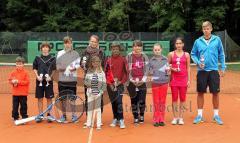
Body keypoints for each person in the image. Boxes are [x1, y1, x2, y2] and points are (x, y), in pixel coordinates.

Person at [191, 21, 226, 125]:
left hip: (214, 70)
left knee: (215, 93)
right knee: (200, 92)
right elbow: (193, 54)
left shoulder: (217, 40)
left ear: (211, 29)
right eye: (204, 29)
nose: (206, 30)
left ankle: (216, 115)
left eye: (207, 28)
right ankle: (199, 115)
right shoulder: (198, 41)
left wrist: (223, 67)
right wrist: (198, 62)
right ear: (202, 30)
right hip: (201, 71)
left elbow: (221, 54)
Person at [56, 36, 81, 123]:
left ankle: (74, 115)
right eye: (66, 43)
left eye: (69, 43)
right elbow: (58, 66)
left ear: (71, 44)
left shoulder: (76, 54)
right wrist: (62, 69)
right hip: (62, 80)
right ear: (64, 44)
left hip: (72, 80)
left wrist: (73, 69)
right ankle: (64, 115)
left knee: (72, 98)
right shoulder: (59, 53)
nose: (68, 44)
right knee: (63, 99)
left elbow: (78, 64)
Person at [105, 42, 128, 129]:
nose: (115, 50)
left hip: (120, 85)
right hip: (110, 85)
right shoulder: (108, 60)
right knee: (113, 102)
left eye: (117, 49)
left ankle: (121, 119)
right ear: (111, 50)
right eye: (113, 49)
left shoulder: (123, 59)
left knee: (119, 102)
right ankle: (115, 118)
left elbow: (126, 73)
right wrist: (110, 83)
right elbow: (106, 73)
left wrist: (120, 82)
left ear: (119, 50)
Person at [168, 37, 190, 125]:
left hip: (184, 79)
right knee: (174, 99)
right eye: (177, 44)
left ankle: (181, 118)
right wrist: (173, 69)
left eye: (180, 43)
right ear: (175, 45)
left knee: (183, 99)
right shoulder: (171, 54)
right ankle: (175, 117)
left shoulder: (187, 55)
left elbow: (188, 68)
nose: (178, 45)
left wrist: (189, 80)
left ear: (183, 44)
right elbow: (167, 67)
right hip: (174, 80)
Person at [126, 40, 149, 125]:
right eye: (135, 46)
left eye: (139, 46)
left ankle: (142, 115)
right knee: (134, 100)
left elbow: (147, 69)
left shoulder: (144, 56)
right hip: (132, 83)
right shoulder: (129, 56)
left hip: (142, 82)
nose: (137, 48)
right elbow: (127, 70)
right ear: (133, 47)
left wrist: (143, 79)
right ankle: (135, 116)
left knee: (142, 100)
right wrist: (132, 80)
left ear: (141, 47)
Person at [81, 35, 105, 115]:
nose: (93, 43)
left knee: (99, 97)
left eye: (95, 42)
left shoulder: (101, 52)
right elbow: (82, 63)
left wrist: (98, 72)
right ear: (89, 41)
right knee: (88, 97)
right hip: (88, 77)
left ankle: (99, 117)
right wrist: (84, 65)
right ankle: (89, 117)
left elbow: (103, 64)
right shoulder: (85, 51)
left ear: (97, 43)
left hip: (98, 77)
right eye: (92, 41)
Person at [33, 42, 56, 123]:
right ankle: (40, 115)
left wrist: (50, 77)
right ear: (41, 48)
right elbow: (35, 68)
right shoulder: (37, 58)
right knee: (40, 98)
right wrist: (37, 76)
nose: (45, 48)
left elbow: (54, 69)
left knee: (49, 98)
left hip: (48, 81)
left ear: (49, 49)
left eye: (46, 47)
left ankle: (49, 115)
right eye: (43, 47)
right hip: (39, 81)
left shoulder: (53, 58)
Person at [149, 43, 170, 127]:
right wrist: (150, 73)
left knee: (162, 101)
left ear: (161, 50)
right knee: (156, 101)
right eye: (155, 50)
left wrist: (169, 71)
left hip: (164, 82)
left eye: (158, 50)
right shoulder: (151, 60)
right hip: (155, 83)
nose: (157, 51)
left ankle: (161, 119)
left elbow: (168, 71)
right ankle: (156, 119)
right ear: (153, 51)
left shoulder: (166, 59)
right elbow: (149, 72)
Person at [84, 56, 106, 130]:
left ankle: (98, 124)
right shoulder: (89, 71)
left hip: (98, 93)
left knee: (98, 109)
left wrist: (101, 92)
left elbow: (104, 83)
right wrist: (88, 84)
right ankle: (88, 123)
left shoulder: (101, 72)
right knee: (90, 108)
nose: (96, 63)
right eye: (94, 62)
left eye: (97, 62)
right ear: (92, 63)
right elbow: (85, 81)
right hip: (90, 93)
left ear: (99, 63)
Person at [8, 57, 30, 122]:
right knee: (15, 106)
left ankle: (24, 117)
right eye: (17, 64)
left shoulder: (26, 73)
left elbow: (27, 82)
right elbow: (10, 80)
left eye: (20, 64)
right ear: (15, 64)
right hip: (15, 93)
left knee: (23, 106)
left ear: (23, 64)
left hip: (23, 93)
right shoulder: (13, 72)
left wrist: (18, 81)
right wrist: (12, 82)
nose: (18, 65)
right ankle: (15, 117)